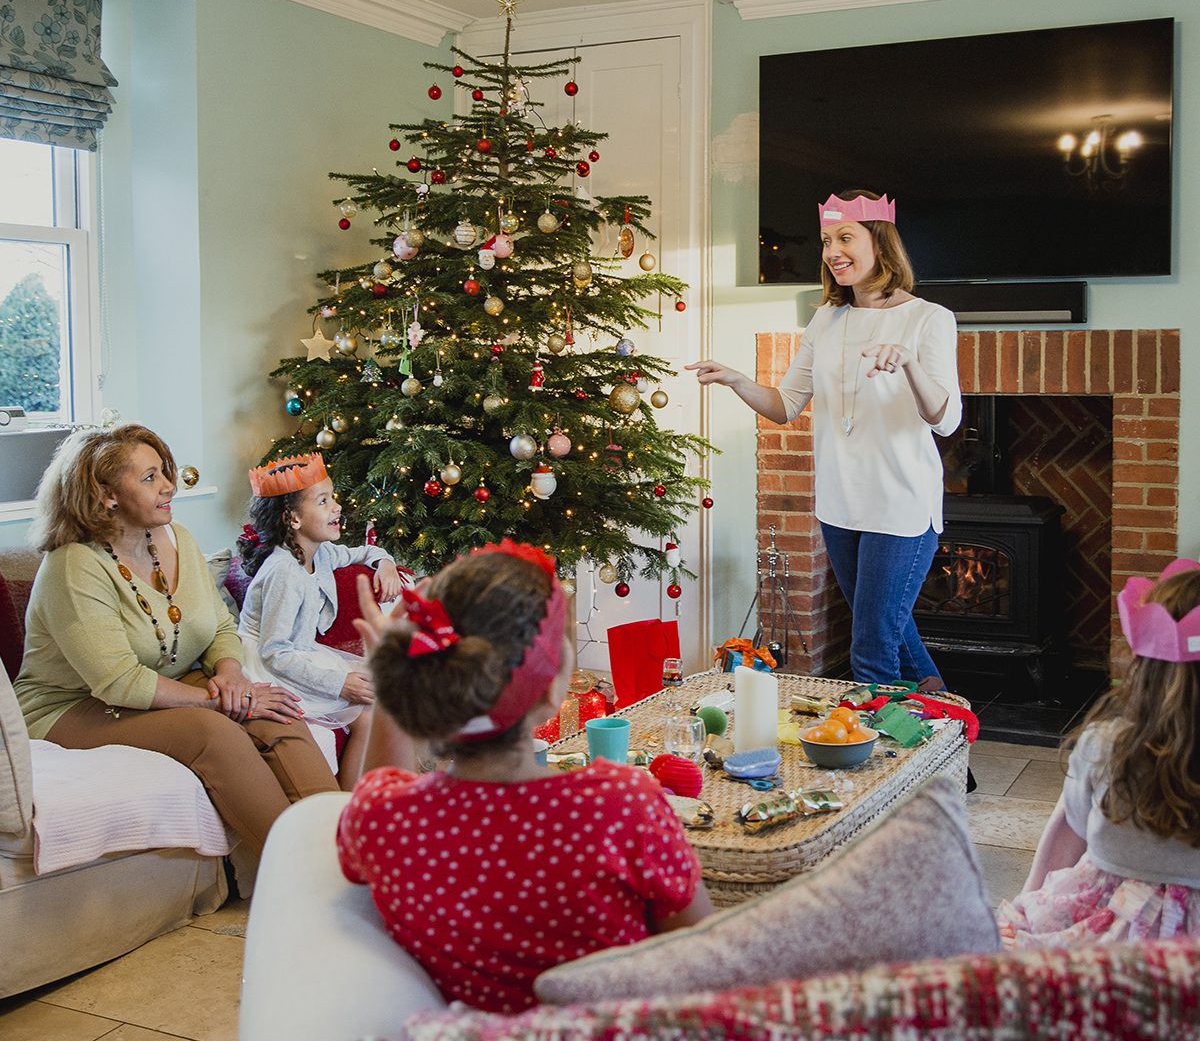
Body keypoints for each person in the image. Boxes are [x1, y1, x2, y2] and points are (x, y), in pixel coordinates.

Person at [336, 540, 712, 1013]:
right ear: (553, 691)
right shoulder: (622, 805)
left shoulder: (383, 819)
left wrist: (391, 685)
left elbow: (381, 786)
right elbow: (701, 959)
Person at [14, 424, 338, 855]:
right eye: (150, 477)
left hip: (165, 681)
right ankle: (306, 869)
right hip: (70, 706)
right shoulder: (73, 566)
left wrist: (232, 675)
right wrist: (219, 702)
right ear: (107, 494)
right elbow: (119, 682)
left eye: (165, 472)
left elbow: (219, 626)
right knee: (213, 732)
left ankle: (349, 852)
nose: (169, 485)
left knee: (278, 712)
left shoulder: (177, 538)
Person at [687, 189, 961, 687]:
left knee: (872, 648)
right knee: (895, 634)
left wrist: (909, 363)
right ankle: (946, 727)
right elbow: (785, 405)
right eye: (826, 240)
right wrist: (738, 381)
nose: (833, 251)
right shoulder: (827, 319)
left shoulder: (928, 319)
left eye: (845, 238)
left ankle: (871, 737)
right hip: (840, 506)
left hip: (901, 506)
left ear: (880, 242)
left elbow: (945, 419)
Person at [997, 560, 1200, 947]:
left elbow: (1071, 827)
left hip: (1109, 936)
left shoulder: (1104, 745)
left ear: (1146, 667)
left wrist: (1027, 901)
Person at [236, 452, 404, 790]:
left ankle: (378, 794)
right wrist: (338, 684)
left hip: (300, 653)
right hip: (268, 665)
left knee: (385, 693)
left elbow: (363, 552)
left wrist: (385, 563)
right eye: (323, 501)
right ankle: (347, 804)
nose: (337, 507)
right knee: (368, 713)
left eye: (333, 497)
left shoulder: (321, 552)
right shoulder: (284, 572)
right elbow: (275, 652)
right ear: (294, 519)